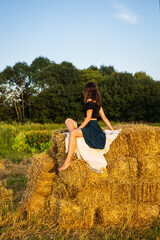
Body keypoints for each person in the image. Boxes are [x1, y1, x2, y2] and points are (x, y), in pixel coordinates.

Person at [58, 82, 114, 171]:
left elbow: (88, 119)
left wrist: (78, 129)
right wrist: (112, 129)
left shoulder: (89, 102)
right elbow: (104, 117)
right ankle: (75, 139)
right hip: (90, 125)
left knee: (73, 132)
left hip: (91, 127)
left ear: (88, 91)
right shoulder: (97, 102)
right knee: (68, 120)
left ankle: (68, 160)